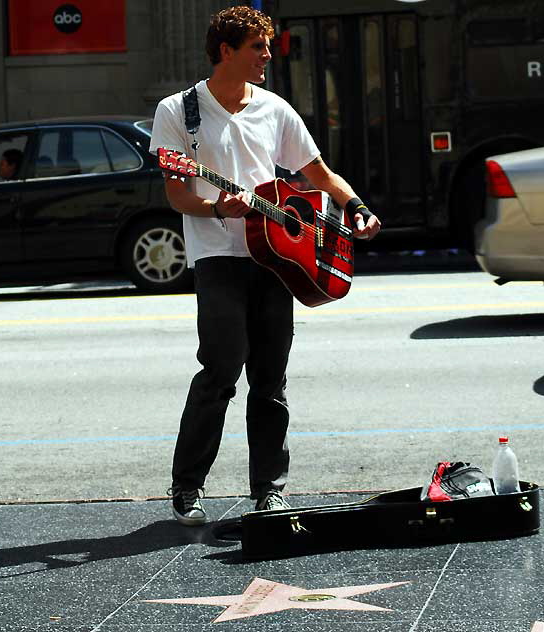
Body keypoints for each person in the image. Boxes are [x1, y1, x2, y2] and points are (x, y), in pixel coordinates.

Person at [149, 6, 381, 526]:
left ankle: (268, 489)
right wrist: (214, 208)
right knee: (220, 370)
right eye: (258, 47)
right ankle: (187, 486)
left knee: (270, 380)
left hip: (277, 257)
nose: (268, 57)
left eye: (267, 46)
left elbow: (318, 173)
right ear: (225, 50)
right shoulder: (178, 111)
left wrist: (357, 208)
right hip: (218, 257)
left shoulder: (274, 108)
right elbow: (176, 191)